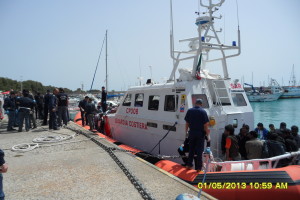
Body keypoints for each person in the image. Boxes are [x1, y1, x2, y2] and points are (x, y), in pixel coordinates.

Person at [184, 99, 210, 172]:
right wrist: (208, 135)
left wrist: (186, 132)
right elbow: (205, 125)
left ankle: (189, 165)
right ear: (201, 104)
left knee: (191, 149)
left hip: (191, 133)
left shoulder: (190, 110)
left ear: (195, 104)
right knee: (199, 151)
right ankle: (198, 168)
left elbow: (187, 123)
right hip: (200, 134)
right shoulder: (203, 111)